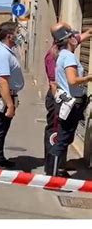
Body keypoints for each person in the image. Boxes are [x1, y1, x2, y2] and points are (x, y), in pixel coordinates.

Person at [43, 23, 91, 172]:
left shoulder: (61, 54)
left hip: (66, 101)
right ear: (68, 40)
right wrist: (89, 78)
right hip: (70, 102)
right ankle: (54, 176)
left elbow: (84, 35)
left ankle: (54, 171)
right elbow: (72, 80)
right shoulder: (68, 56)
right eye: (72, 36)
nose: (75, 37)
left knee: (63, 138)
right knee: (62, 139)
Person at [0, 22, 25, 169]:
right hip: (2, 96)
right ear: (9, 36)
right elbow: (3, 81)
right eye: (17, 32)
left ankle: (0, 158)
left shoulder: (4, 50)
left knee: (2, 128)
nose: (19, 35)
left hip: (5, 94)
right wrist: (9, 105)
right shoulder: (2, 53)